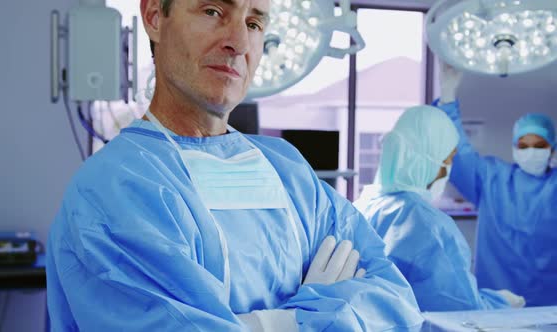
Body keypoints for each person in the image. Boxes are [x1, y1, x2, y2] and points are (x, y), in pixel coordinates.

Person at [45, 0, 424, 330]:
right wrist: (313, 317)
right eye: (213, 11)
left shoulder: (287, 169)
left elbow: (397, 303)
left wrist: (263, 325)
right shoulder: (113, 191)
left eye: (254, 23)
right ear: (154, 16)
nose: (239, 43)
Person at [354, 105, 524, 311]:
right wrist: (501, 303)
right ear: (429, 158)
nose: (448, 168)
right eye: (449, 158)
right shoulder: (428, 225)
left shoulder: (362, 207)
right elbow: (460, 310)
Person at [434, 63, 557, 307]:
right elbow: (457, 151)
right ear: (514, 148)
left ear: (552, 148)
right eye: (523, 145)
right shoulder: (491, 178)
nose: (530, 151)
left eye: (539, 145)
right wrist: (448, 99)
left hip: (551, 306)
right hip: (498, 303)